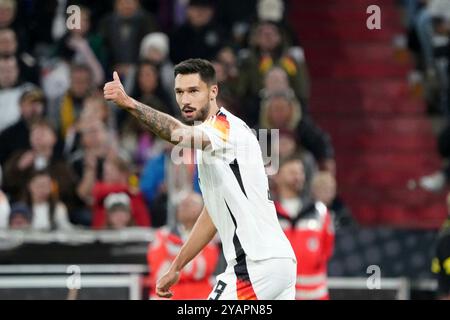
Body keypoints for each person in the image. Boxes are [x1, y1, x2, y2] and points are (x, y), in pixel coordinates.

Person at [104, 58, 296, 300]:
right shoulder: (214, 143)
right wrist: (176, 266)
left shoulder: (224, 129)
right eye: (180, 92)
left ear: (213, 91)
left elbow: (176, 133)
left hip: (256, 265)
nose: (185, 100)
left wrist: (129, 104)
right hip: (278, 263)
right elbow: (212, 215)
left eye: (194, 91)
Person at [147, 193, 219, 299]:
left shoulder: (209, 235)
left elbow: (203, 268)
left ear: (202, 209)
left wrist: (174, 267)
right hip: (167, 295)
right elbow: (159, 270)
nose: (184, 206)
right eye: (182, 204)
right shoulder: (163, 234)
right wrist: (186, 266)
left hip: (199, 295)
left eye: (190, 204)